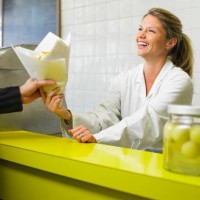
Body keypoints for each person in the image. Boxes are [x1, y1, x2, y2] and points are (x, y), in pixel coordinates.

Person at [43, 8, 194, 150]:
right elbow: (104, 118)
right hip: (125, 161)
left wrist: (97, 138)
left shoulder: (180, 81)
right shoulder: (123, 79)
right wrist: (67, 115)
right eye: (140, 29)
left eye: (151, 31)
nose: (141, 35)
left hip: (162, 163)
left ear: (170, 42)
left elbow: (147, 121)